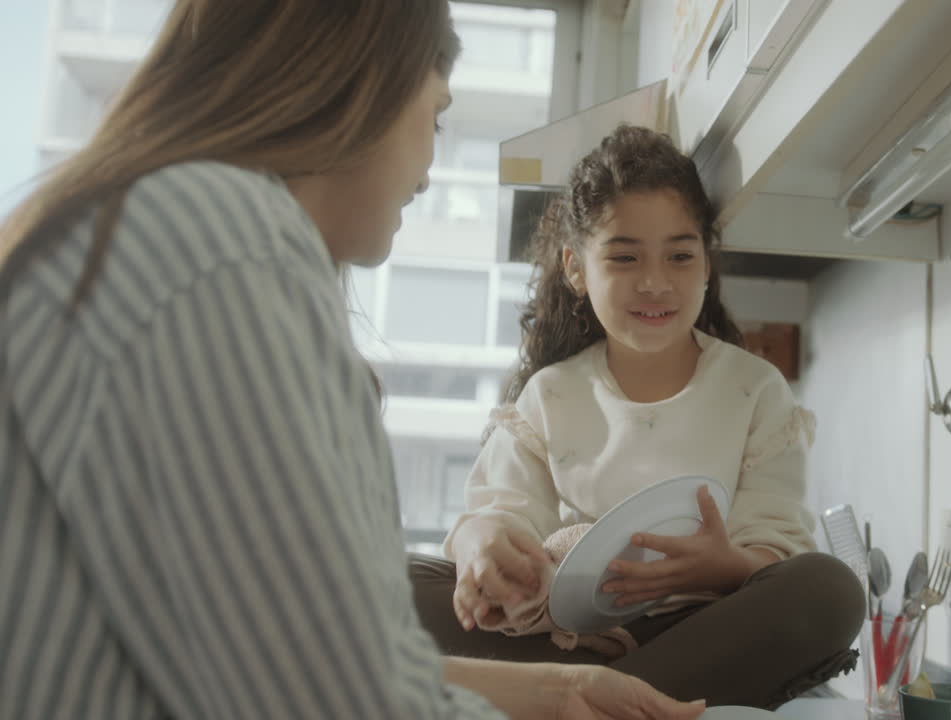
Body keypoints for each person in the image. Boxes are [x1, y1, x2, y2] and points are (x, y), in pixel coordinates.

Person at [0, 3, 706, 719]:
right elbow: (328, 699)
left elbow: (290, 661)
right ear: (366, 82)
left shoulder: (172, 223)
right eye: (434, 119)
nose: (429, 173)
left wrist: (563, 691)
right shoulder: (225, 245)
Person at [411, 125, 865, 709]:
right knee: (392, 588)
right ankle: (606, 697)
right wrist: (484, 546)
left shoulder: (754, 390)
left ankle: (585, 705)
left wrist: (721, 566)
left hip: (705, 635)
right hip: (567, 642)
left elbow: (773, 548)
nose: (655, 282)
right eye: (624, 257)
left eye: (680, 255)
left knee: (829, 590)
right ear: (577, 268)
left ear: (706, 263)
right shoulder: (550, 395)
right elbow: (501, 514)